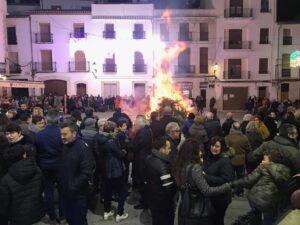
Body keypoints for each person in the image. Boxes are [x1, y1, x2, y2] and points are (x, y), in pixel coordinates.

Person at [172, 139, 231, 225]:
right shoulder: (195, 168)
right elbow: (206, 191)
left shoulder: (179, 165)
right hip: (197, 212)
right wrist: (227, 186)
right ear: (193, 152)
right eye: (198, 150)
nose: (200, 152)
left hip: (184, 209)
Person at [231, 149, 291, 225]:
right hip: (272, 202)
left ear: (271, 162)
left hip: (255, 198)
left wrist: (232, 183)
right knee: (269, 219)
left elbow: (248, 180)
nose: (262, 162)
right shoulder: (286, 170)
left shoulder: (263, 167)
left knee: (256, 215)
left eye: (264, 160)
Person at [59, 122, 95, 225]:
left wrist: (72, 186)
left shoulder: (83, 148)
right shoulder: (65, 145)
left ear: (74, 134)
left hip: (78, 194)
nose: (62, 137)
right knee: (70, 219)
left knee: (79, 221)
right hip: (66, 192)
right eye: (61, 134)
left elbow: (87, 172)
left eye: (65, 134)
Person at [0, 143, 45, 225]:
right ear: (24, 155)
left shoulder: (6, 180)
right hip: (37, 212)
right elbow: (41, 189)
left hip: (17, 218)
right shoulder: (37, 170)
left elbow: (4, 206)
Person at [35, 109, 64, 223]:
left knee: (48, 190)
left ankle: (51, 214)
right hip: (60, 165)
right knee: (62, 190)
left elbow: (36, 151)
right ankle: (62, 214)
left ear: (46, 120)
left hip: (45, 165)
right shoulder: (62, 133)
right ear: (58, 120)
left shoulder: (39, 134)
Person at [145, 137, 177, 225]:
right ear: (162, 149)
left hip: (152, 199)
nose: (170, 150)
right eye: (169, 148)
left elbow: (144, 179)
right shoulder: (163, 165)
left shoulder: (149, 158)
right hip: (163, 202)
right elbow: (169, 188)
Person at [101, 121, 129, 222]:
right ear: (111, 131)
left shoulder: (99, 138)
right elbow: (120, 154)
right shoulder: (111, 141)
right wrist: (123, 151)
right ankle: (120, 213)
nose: (116, 131)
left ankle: (107, 212)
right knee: (122, 191)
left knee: (107, 192)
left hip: (105, 169)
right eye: (115, 130)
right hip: (115, 169)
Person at [203, 136, 234, 225]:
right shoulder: (209, 157)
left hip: (221, 198)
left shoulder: (225, 161)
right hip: (212, 195)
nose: (214, 148)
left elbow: (226, 180)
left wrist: (207, 177)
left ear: (222, 147)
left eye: (217, 146)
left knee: (217, 220)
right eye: (212, 145)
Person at [225, 122, 251, 196]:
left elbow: (225, 149)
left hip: (231, 160)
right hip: (241, 160)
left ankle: (231, 190)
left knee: (230, 176)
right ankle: (240, 191)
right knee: (241, 176)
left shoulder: (228, 137)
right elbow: (248, 148)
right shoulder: (244, 137)